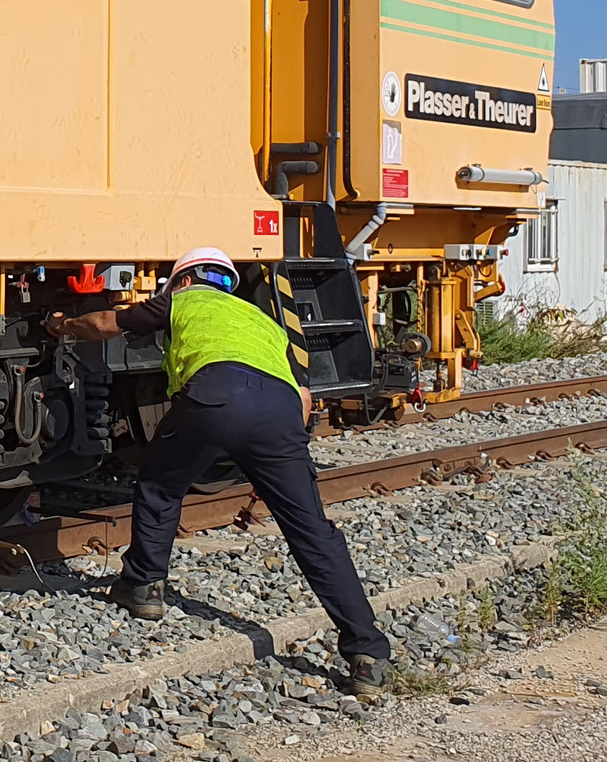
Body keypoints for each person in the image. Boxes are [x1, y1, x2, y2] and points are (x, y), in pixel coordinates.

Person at [51, 247, 394, 695]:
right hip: (281, 412)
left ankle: (143, 585)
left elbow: (103, 325)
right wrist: (281, 453)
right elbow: (305, 397)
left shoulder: (186, 299)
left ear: (184, 280)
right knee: (312, 531)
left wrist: (61, 325)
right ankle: (366, 652)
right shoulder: (262, 321)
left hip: (214, 397)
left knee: (159, 485)